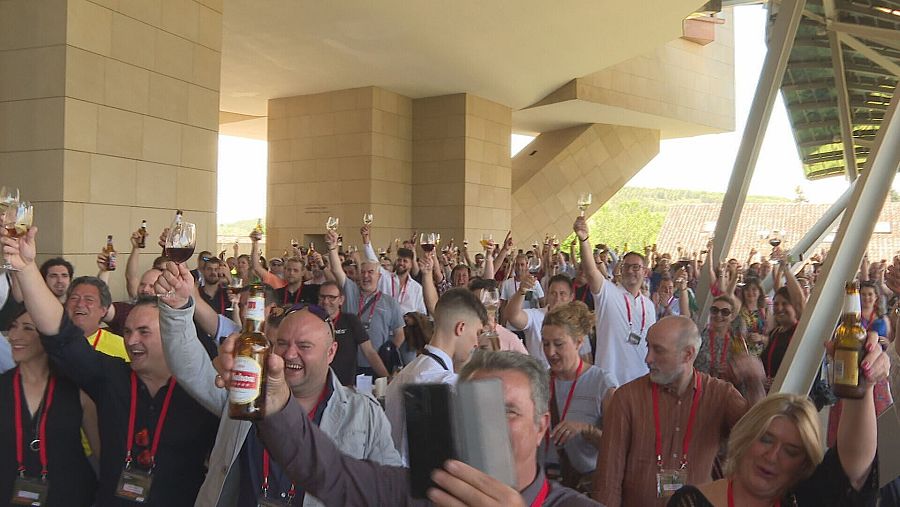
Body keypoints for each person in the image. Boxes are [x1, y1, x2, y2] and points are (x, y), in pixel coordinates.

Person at [215, 345, 602, 506]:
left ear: (541, 426)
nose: (489, 426)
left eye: (508, 412)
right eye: (475, 410)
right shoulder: (419, 492)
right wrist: (277, 401)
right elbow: (327, 470)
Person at [153, 262, 401, 506]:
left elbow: (393, 493)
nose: (290, 354)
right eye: (282, 344)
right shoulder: (247, 391)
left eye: (304, 346)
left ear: (331, 352)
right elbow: (191, 369)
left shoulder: (363, 414)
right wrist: (177, 309)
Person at [4, 226, 219, 506]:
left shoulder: (202, 392)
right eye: (127, 332)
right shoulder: (112, 377)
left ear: (171, 338)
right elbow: (61, 334)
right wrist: (27, 268)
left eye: (144, 332)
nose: (131, 340)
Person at [668, 332, 888, 507]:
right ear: (747, 435)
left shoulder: (805, 499)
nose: (772, 456)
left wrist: (863, 387)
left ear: (803, 465)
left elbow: (854, 468)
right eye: (766, 439)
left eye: (791, 451)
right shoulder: (691, 502)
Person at [593, 316, 766, 507]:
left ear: (687, 354)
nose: (648, 358)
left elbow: (757, 435)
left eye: (658, 350)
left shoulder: (720, 395)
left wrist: (754, 381)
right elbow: (608, 476)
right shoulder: (627, 397)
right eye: (648, 347)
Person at [0, 307, 99, 506]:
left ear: (47, 336)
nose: (15, 336)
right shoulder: (3, 386)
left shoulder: (77, 390)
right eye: (13, 327)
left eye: (28, 328)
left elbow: (103, 454)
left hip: (71, 496)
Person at [384, 288, 488, 463]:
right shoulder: (448, 385)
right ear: (461, 328)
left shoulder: (404, 374)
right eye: (477, 333)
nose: (477, 343)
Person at [539, 301, 617, 493]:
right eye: (545, 343)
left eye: (558, 344)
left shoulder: (602, 383)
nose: (550, 352)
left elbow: (618, 446)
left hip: (583, 487)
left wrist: (585, 429)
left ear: (579, 342)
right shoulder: (539, 381)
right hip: (545, 484)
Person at [575, 216, 657, 385]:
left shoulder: (649, 305)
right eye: (626, 266)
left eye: (636, 267)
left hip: (641, 382)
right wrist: (584, 239)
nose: (630, 271)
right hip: (610, 383)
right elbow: (591, 271)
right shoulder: (607, 292)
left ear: (645, 272)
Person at [325, 228, 404, 376]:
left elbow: (400, 333)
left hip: (377, 364)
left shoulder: (390, 302)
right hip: (349, 363)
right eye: (363, 272)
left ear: (379, 277)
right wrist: (332, 247)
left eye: (370, 272)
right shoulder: (350, 290)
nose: (366, 276)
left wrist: (389, 352)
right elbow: (336, 269)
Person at [503, 273, 591, 366]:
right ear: (547, 295)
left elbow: (586, 358)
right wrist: (521, 291)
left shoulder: (577, 322)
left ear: (571, 297)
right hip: (539, 377)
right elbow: (512, 316)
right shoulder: (535, 316)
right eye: (553, 293)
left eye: (562, 294)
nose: (557, 298)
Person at [316, 280, 389, 384]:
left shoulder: (350, 321)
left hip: (346, 386)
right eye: (322, 297)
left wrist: (386, 377)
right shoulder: (312, 322)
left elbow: (369, 352)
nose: (326, 301)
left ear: (341, 300)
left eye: (331, 297)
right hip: (318, 385)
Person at [362, 225, 427, 315]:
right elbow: (373, 260)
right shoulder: (385, 277)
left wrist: (412, 319)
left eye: (405, 261)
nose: (401, 263)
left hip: (406, 327)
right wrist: (366, 239)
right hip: (385, 324)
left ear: (411, 264)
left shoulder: (417, 288)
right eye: (399, 260)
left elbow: (422, 313)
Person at [694, 295, 742, 381]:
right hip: (698, 385)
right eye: (714, 310)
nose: (718, 315)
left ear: (732, 317)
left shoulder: (737, 342)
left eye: (725, 312)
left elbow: (740, 374)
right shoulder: (698, 336)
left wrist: (731, 370)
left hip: (722, 389)